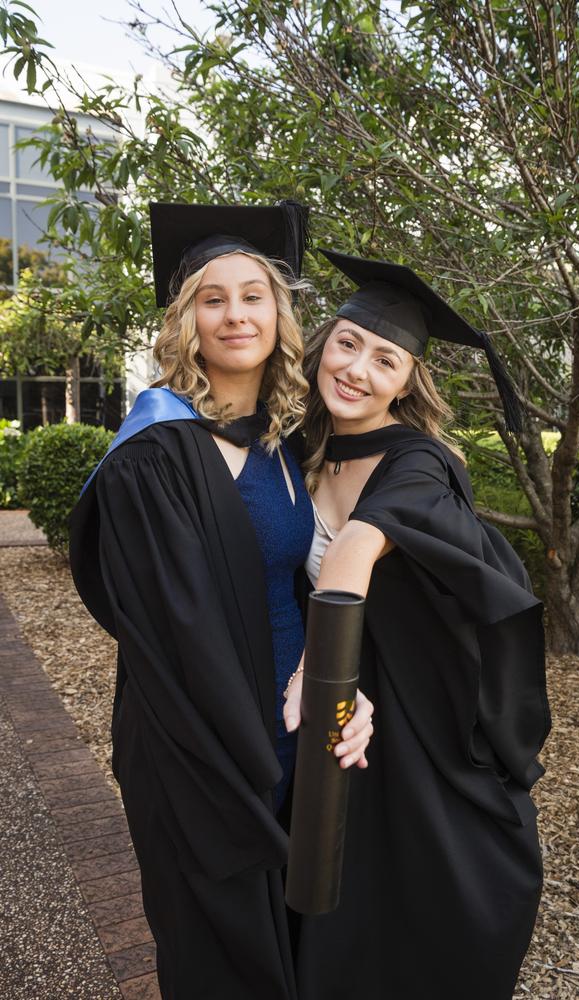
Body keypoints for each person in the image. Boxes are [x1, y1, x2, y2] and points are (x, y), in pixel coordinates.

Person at [69, 209, 374, 1000]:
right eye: (213, 299)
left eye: (254, 297)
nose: (236, 315)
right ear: (186, 321)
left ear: (280, 317)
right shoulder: (158, 451)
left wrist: (333, 674)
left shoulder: (284, 440)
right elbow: (172, 636)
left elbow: (310, 579)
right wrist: (243, 765)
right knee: (223, 964)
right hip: (198, 752)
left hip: (286, 739)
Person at [284, 250, 551, 1000]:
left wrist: (314, 672)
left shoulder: (417, 463)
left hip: (418, 707)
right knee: (341, 875)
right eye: (347, 344)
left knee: (429, 881)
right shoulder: (308, 451)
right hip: (353, 692)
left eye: (385, 359)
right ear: (323, 344)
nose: (357, 370)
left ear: (408, 382)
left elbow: (355, 554)